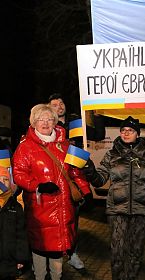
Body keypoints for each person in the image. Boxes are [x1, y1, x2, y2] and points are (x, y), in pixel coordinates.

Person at [13, 104, 91, 280]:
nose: (46, 123)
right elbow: (19, 173)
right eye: (41, 119)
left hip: (63, 206)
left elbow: (75, 172)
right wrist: (36, 185)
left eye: (49, 119)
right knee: (40, 249)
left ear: (55, 121)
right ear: (34, 122)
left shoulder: (66, 145)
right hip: (40, 207)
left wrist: (84, 191)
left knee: (58, 249)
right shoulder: (25, 146)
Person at [83, 117, 145, 280]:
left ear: (138, 133)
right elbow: (100, 180)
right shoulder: (112, 154)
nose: (126, 133)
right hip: (117, 209)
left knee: (135, 251)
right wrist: (90, 170)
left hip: (141, 209)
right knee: (118, 250)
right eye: (123, 129)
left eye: (130, 130)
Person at [48, 93, 105, 270]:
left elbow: (98, 134)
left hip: (74, 177)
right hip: (55, 176)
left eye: (61, 102)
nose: (59, 106)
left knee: (73, 218)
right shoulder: (47, 125)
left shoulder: (75, 121)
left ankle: (72, 253)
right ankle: (50, 255)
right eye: (54, 104)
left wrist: (97, 115)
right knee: (52, 219)